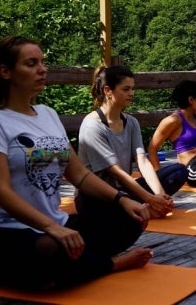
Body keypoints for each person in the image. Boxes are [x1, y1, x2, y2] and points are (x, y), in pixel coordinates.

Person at [0, 36, 153, 291]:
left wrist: (122, 199)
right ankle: (110, 264)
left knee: (130, 218)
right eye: (31, 63)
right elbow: (1, 192)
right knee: (52, 250)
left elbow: (80, 175)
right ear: (5, 71)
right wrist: (51, 227)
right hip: (0, 234)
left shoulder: (48, 114)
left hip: (56, 223)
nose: (42, 69)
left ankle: (80, 264)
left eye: (42, 62)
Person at [75, 65, 188, 219]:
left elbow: (142, 161)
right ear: (108, 91)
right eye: (126, 89)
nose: (131, 93)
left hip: (124, 189)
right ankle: (140, 208)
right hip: (97, 196)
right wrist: (149, 198)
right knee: (114, 208)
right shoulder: (92, 125)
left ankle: (142, 208)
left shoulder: (132, 122)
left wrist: (160, 195)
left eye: (133, 89)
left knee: (178, 171)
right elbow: (116, 171)